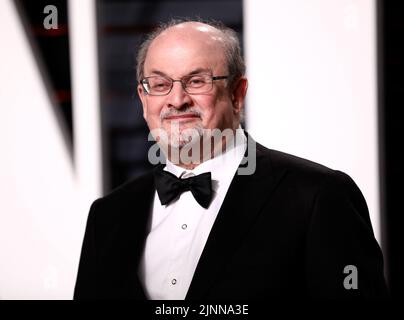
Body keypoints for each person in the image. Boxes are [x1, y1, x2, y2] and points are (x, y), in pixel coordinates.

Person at [74, 18, 388, 300]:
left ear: (237, 94)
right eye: (159, 85)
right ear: (144, 100)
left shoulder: (318, 195)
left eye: (197, 81)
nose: (177, 99)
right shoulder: (108, 215)